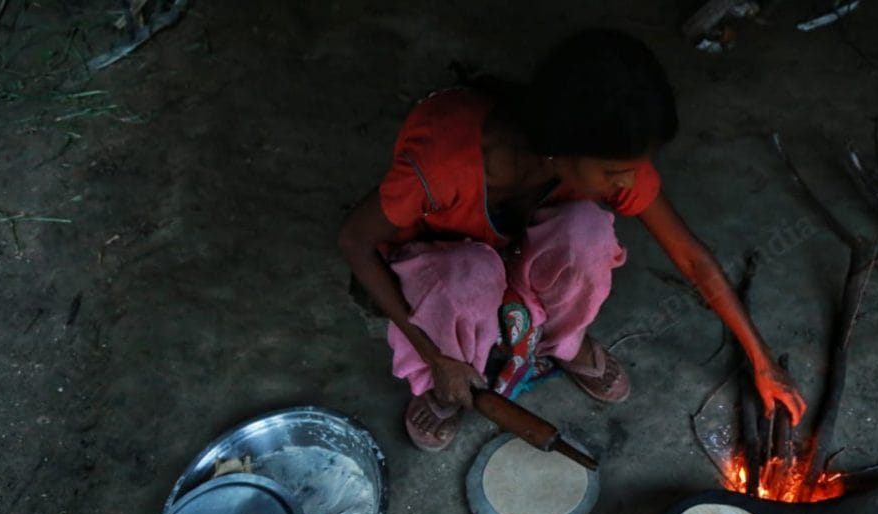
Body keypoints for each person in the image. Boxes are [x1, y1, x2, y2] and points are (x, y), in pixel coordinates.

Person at [339, 28, 805, 451]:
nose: (626, 184)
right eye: (612, 172)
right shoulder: (446, 158)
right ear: (557, 146)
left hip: (516, 254)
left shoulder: (596, 162)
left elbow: (692, 258)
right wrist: (432, 355)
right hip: (446, 263)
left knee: (587, 233)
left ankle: (562, 343)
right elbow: (355, 242)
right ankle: (448, 375)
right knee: (467, 275)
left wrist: (762, 361)